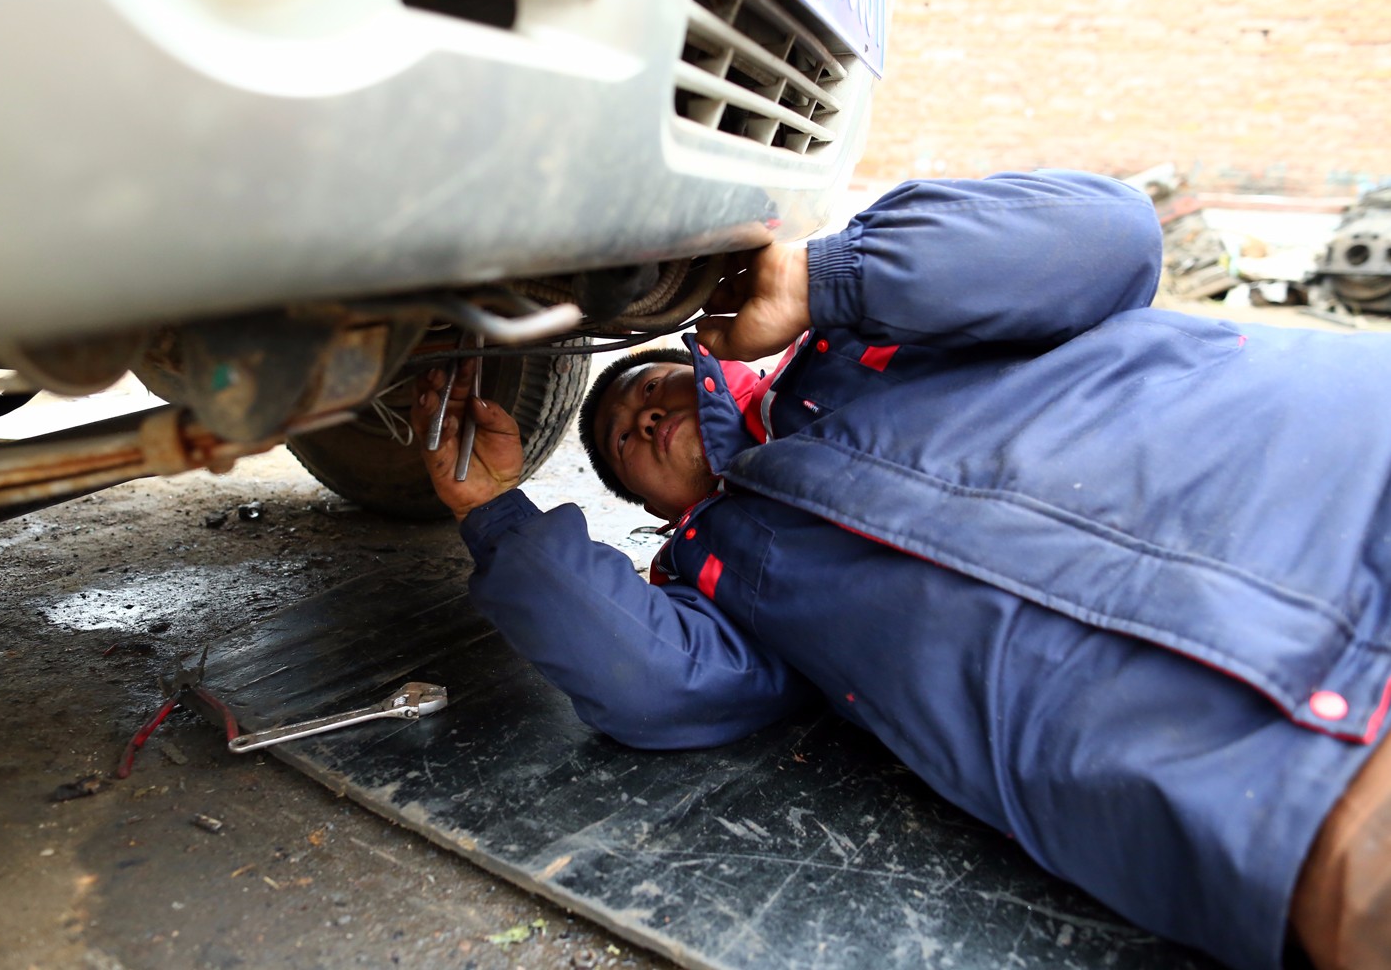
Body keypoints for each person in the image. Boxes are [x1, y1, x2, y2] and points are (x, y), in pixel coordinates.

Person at [410, 171, 1391, 970]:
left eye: (654, 388)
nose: (643, 418)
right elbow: (652, 686)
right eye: (626, 442)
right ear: (654, 511)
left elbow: (1111, 237)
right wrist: (494, 511)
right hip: (1274, 794)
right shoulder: (722, 584)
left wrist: (828, 279)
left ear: (713, 364)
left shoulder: (869, 331)